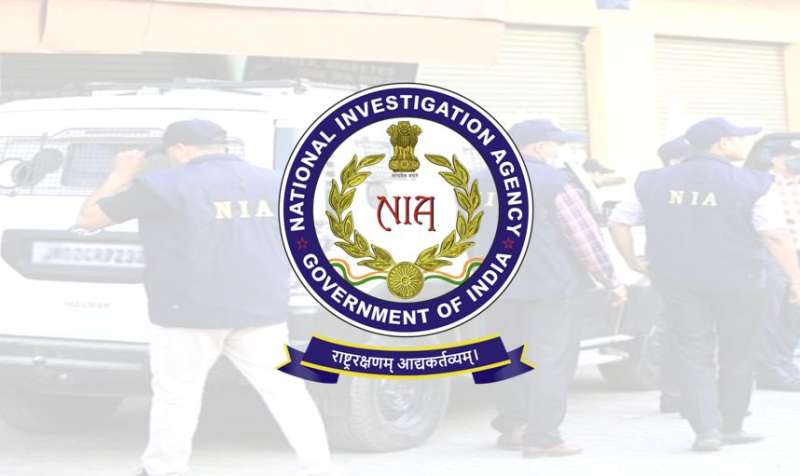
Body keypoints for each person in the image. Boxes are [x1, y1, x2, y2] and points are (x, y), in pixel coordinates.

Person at [75, 119, 333, 476]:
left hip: (188, 313)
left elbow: (88, 219)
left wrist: (120, 174)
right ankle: (320, 467)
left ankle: (163, 469)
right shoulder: (276, 182)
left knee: (177, 396)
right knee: (288, 392)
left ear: (181, 148)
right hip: (261, 310)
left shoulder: (162, 185)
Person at [608, 117, 800, 452]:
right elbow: (775, 236)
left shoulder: (651, 181)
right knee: (738, 351)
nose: (743, 144)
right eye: (738, 138)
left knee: (691, 350)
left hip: (678, 281)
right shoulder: (755, 183)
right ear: (722, 143)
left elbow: (618, 222)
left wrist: (633, 262)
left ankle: (705, 430)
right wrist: (795, 279)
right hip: (740, 280)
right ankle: (731, 424)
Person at [490, 119, 627, 458]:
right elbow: (584, 238)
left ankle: (514, 427)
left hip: (495, 288)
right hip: (549, 287)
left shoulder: (478, 178)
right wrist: (611, 280)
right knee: (550, 359)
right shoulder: (554, 181)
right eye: (557, 144)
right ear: (539, 147)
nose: (560, 150)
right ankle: (542, 438)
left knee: (508, 356)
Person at [753, 140, 800, 391]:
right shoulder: (763, 183)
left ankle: (784, 362)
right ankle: (768, 369)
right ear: (775, 159)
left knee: (794, 314)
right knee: (771, 312)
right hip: (773, 255)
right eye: (790, 156)